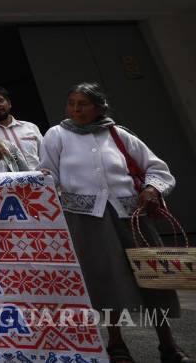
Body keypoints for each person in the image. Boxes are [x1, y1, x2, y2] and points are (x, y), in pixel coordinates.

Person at [39, 83, 187, 363]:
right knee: (103, 279)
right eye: (71, 103)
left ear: (100, 107)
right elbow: (48, 174)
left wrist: (152, 188)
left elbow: (156, 168)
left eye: (83, 104)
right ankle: (116, 343)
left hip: (132, 217)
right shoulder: (56, 135)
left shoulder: (119, 134)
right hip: (86, 219)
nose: (76, 109)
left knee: (154, 278)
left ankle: (168, 344)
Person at [0, 84, 42, 169]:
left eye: (0, 100)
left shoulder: (30, 127)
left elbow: (45, 155)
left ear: (9, 103)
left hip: (39, 176)